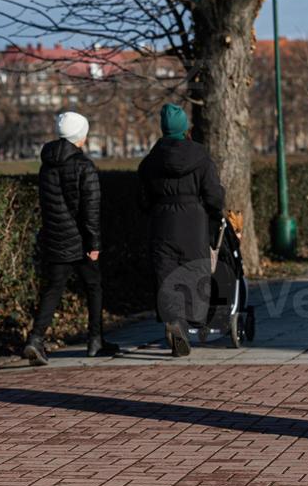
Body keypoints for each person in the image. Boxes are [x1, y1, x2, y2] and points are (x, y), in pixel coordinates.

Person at [22, 112, 118, 366]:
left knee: (52, 290)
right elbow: (90, 209)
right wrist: (94, 244)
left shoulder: (47, 164)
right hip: (80, 241)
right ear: (80, 136)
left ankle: (35, 339)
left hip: (55, 237)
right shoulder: (84, 165)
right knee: (94, 287)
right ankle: (95, 340)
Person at [136, 104, 226, 357]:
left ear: (163, 128)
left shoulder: (150, 161)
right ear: (185, 127)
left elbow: (142, 199)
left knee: (166, 274)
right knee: (193, 271)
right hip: (193, 221)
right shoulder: (200, 157)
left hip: (162, 221)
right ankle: (189, 322)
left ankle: (176, 322)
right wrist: (215, 211)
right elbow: (213, 194)